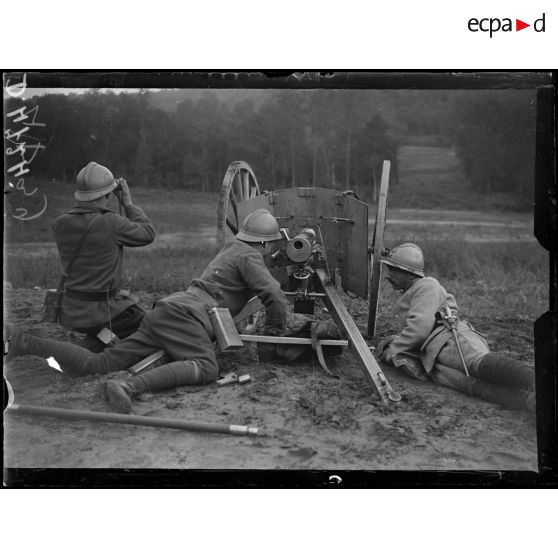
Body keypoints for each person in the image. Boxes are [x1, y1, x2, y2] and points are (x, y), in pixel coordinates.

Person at [5, 209, 287, 414]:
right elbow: (274, 295)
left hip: (166, 310)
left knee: (98, 364)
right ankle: (129, 387)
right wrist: (274, 338)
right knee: (206, 366)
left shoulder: (233, 248)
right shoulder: (250, 255)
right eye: (271, 244)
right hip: (188, 319)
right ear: (262, 243)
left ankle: (23, 341)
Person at [376, 243, 535, 411]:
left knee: (476, 364)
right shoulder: (413, 290)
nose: (388, 275)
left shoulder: (426, 285)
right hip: (432, 354)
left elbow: (419, 329)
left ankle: (539, 385)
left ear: (409, 273)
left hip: (451, 338)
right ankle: (532, 404)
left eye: (393, 270)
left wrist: (393, 350)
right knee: (472, 385)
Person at [53, 162, 155, 350]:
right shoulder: (111, 223)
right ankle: (98, 344)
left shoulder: (60, 223)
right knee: (151, 324)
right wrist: (128, 203)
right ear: (107, 194)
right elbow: (148, 233)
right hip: (99, 312)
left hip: (71, 311)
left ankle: (99, 337)